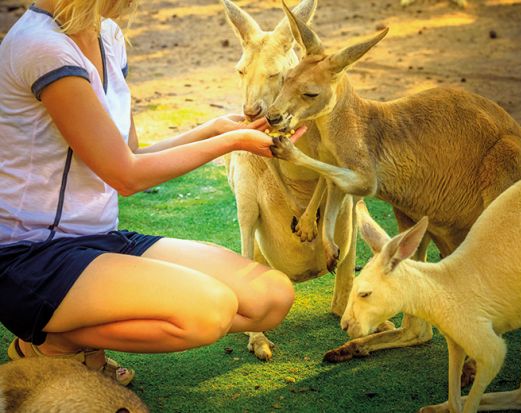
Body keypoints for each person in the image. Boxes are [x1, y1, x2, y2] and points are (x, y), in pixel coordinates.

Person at [0, 0, 305, 385]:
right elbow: (126, 177)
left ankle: (62, 334)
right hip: (31, 257)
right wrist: (230, 144)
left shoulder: (106, 34)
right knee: (209, 311)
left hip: (99, 240)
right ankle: (53, 342)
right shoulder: (41, 47)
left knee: (270, 296)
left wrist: (214, 129)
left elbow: (129, 154)